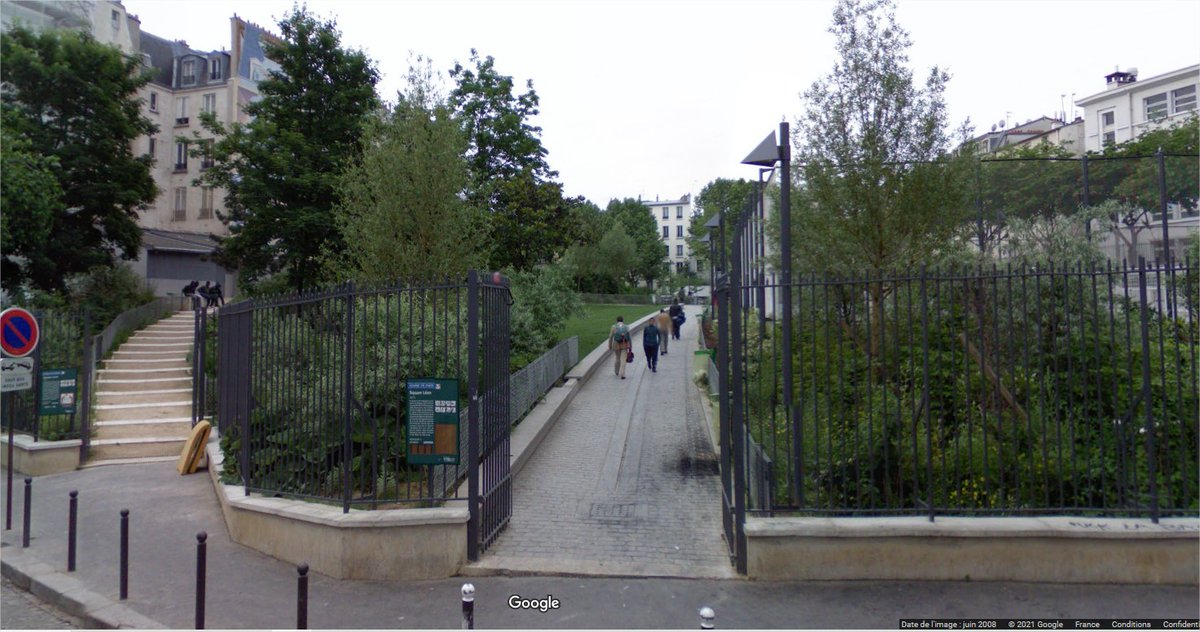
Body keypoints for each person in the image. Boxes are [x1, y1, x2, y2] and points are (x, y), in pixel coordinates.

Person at [608, 315, 631, 380]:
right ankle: (622, 374)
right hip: (624, 344)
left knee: (617, 358)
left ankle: (616, 371)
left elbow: (610, 337)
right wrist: (630, 345)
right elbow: (629, 337)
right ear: (623, 320)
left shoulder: (613, 327)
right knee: (623, 359)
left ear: (616, 320)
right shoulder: (626, 327)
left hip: (616, 344)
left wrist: (610, 345)